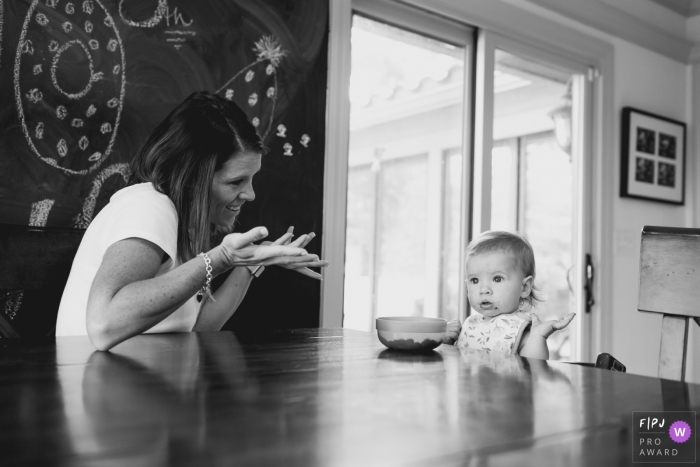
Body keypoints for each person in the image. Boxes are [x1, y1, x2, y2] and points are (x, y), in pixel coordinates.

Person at [56, 91, 328, 351]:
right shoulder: (149, 207)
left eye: (251, 178)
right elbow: (104, 325)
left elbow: (200, 329)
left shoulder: (185, 225)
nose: (250, 194)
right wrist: (218, 258)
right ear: (193, 176)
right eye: (235, 181)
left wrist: (250, 263)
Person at [442, 231, 574, 359]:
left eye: (497, 279)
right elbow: (452, 361)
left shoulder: (518, 329)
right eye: (475, 280)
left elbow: (534, 366)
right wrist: (446, 340)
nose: (484, 290)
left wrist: (538, 337)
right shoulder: (470, 324)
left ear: (524, 287)